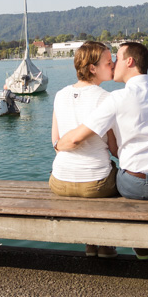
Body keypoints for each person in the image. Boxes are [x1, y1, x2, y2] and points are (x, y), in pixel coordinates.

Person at [56, 41, 148, 263]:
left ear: (130, 61)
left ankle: (141, 245)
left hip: (131, 185)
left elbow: (78, 136)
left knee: (118, 175)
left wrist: (59, 145)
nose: (113, 63)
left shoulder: (115, 99)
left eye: (116, 57)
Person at [49, 41, 119, 258]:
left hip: (59, 181)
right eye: (109, 62)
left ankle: (90, 245)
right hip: (96, 185)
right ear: (92, 68)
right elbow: (116, 149)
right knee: (119, 174)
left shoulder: (60, 94)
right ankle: (106, 245)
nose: (114, 65)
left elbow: (56, 142)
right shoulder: (106, 98)